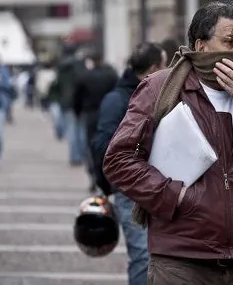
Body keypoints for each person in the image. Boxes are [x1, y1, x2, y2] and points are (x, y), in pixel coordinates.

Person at [103, 1, 233, 284]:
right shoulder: (160, 88)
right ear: (200, 46)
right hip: (180, 261)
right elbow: (118, 160)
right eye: (230, 41)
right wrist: (175, 196)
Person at [92, 42, 167, 285]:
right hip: (130, 190)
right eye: (165, 66)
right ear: (154, 68)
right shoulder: (118, 100)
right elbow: (102, 146)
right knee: (143, 256)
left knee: (160, 257)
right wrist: (109, 186)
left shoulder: (157, 95)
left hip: (159, 186)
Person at [73, 49, 118, 192]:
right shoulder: (111, 75)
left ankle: (94, 176)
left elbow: (77, 98)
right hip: (108, 113)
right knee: (108, 146)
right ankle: (107, 175)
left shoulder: (85, 76)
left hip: (90, 114)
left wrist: (78, 112)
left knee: (91, 147)